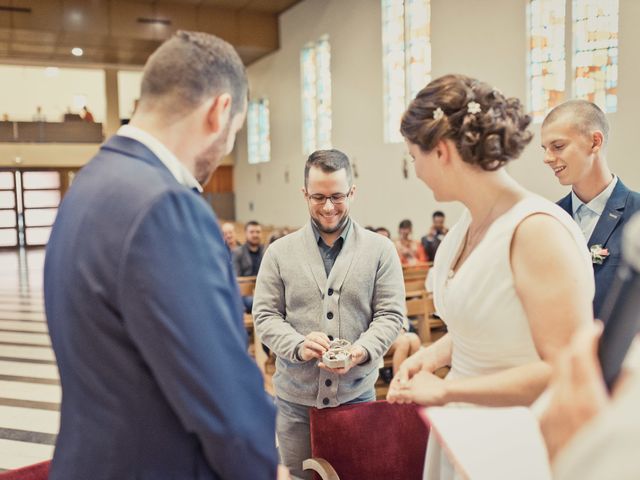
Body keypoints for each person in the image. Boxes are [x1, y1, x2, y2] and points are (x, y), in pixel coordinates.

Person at [44, 31, 282, 480]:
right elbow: (225, 404)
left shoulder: (89, 185)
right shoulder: (165, 207)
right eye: (235, 133)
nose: (227, 148)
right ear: (220, 111)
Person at [386, 74, 594, 480]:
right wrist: (436, 354)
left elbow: (566, 367)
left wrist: (446, 390)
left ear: (442, 151)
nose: (417, 171)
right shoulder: (469, 222)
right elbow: (489, 318)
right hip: (465, 428)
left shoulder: (535, 230)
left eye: (414, 157)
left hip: (514, 437)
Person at [253, 149, 405, 480]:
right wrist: (296, 344)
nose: (327, 207)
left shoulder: (380, 251)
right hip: (296, 404)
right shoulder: (279, 252)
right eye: (318, 197)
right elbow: (264, 316)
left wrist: (361, 350)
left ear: (352, 192)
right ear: (304, 193)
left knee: (355, 473)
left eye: (337, 196)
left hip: (355, 397)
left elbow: (392, 315)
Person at [541, 99, 640, 320]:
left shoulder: (637, 212)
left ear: (595, 142)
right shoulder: (548, 219)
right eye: (545, 149)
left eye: (558, 146)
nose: (547, 158)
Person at [233, 220, 265, 312]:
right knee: (256, 302)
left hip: (265, 291)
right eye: (252, 232)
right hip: (246, 294)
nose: (255, 235)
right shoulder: (237, 252)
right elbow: (237, 278)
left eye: (258, 232)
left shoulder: (267, 251)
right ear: (246, 234)